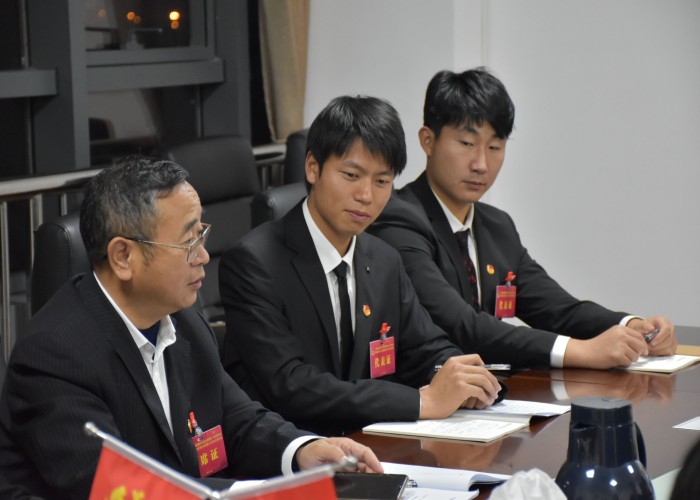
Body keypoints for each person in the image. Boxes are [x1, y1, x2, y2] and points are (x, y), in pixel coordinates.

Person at [0, 157, 381, 498]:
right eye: (188, 241)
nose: (203, 256)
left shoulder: (184, 318)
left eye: (202, 233)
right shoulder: (54, 356)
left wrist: (301, 451)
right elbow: (120, 490)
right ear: (123, 256)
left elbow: (234, 417)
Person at [220, 96, 502, 436]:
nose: (366, 195)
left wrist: (459, 378)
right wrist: (420, 402)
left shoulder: (384, 259)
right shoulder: (253, 263)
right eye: (352, 175)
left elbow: (425, 347)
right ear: (313, 167)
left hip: (373, 445)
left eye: (382, 181)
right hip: (291, 450)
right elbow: (290, 384)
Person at [369, 68, 676, 369]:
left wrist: (632, 327)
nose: (481, 164)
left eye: (494, 147)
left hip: (490, 392)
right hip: (421, 392)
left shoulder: (497, 226)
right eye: (466, 144)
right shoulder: (398, 219)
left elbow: (558, 310)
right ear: (428, 140)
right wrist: (580, 351)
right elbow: (461, 325)